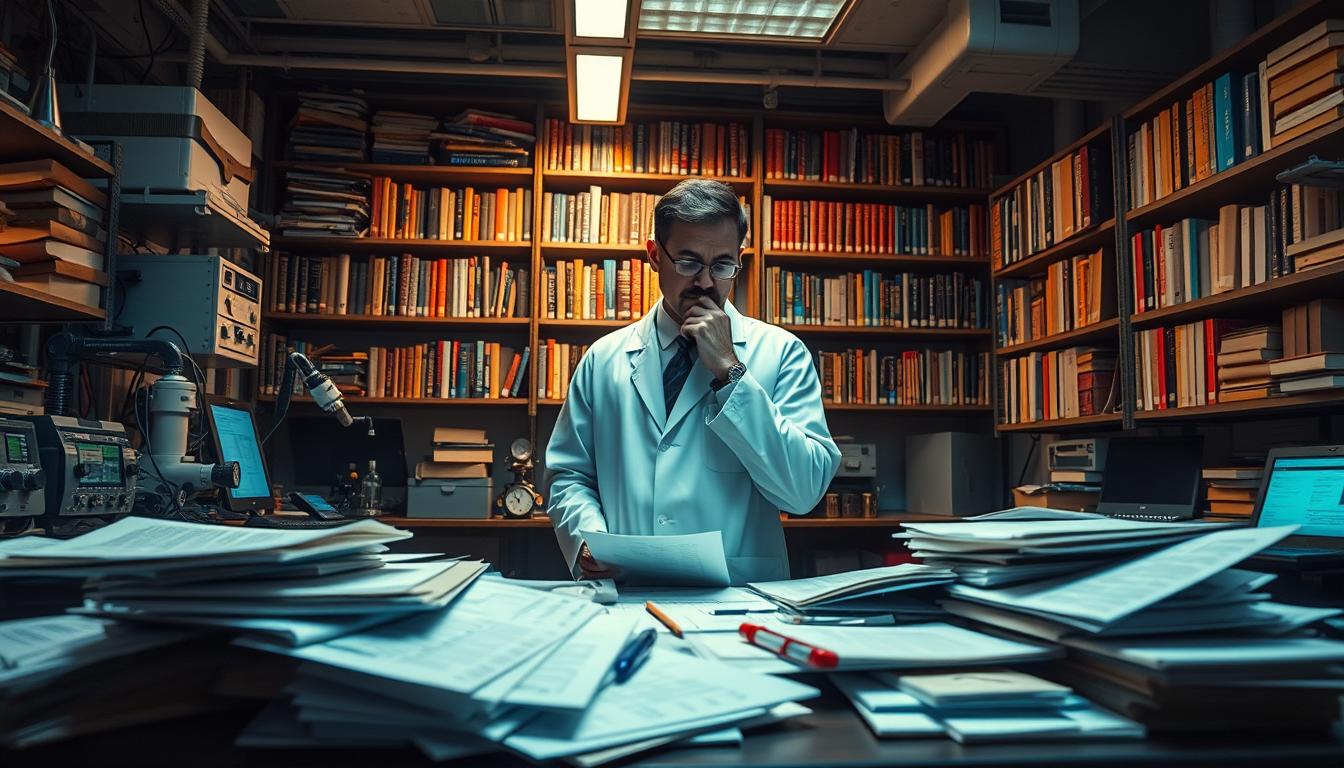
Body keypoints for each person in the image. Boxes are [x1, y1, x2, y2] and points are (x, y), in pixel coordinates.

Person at [545, 178, 841, 585]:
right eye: (688, 262)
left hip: (739, 599)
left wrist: (732, 374)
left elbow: (803, 492)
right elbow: (569, 475)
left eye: (721, 265)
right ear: (654, 254)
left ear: (739, 260)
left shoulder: (781, 353)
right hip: (629, 587)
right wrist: (585, 539)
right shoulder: (603, 360)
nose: (705, 282)